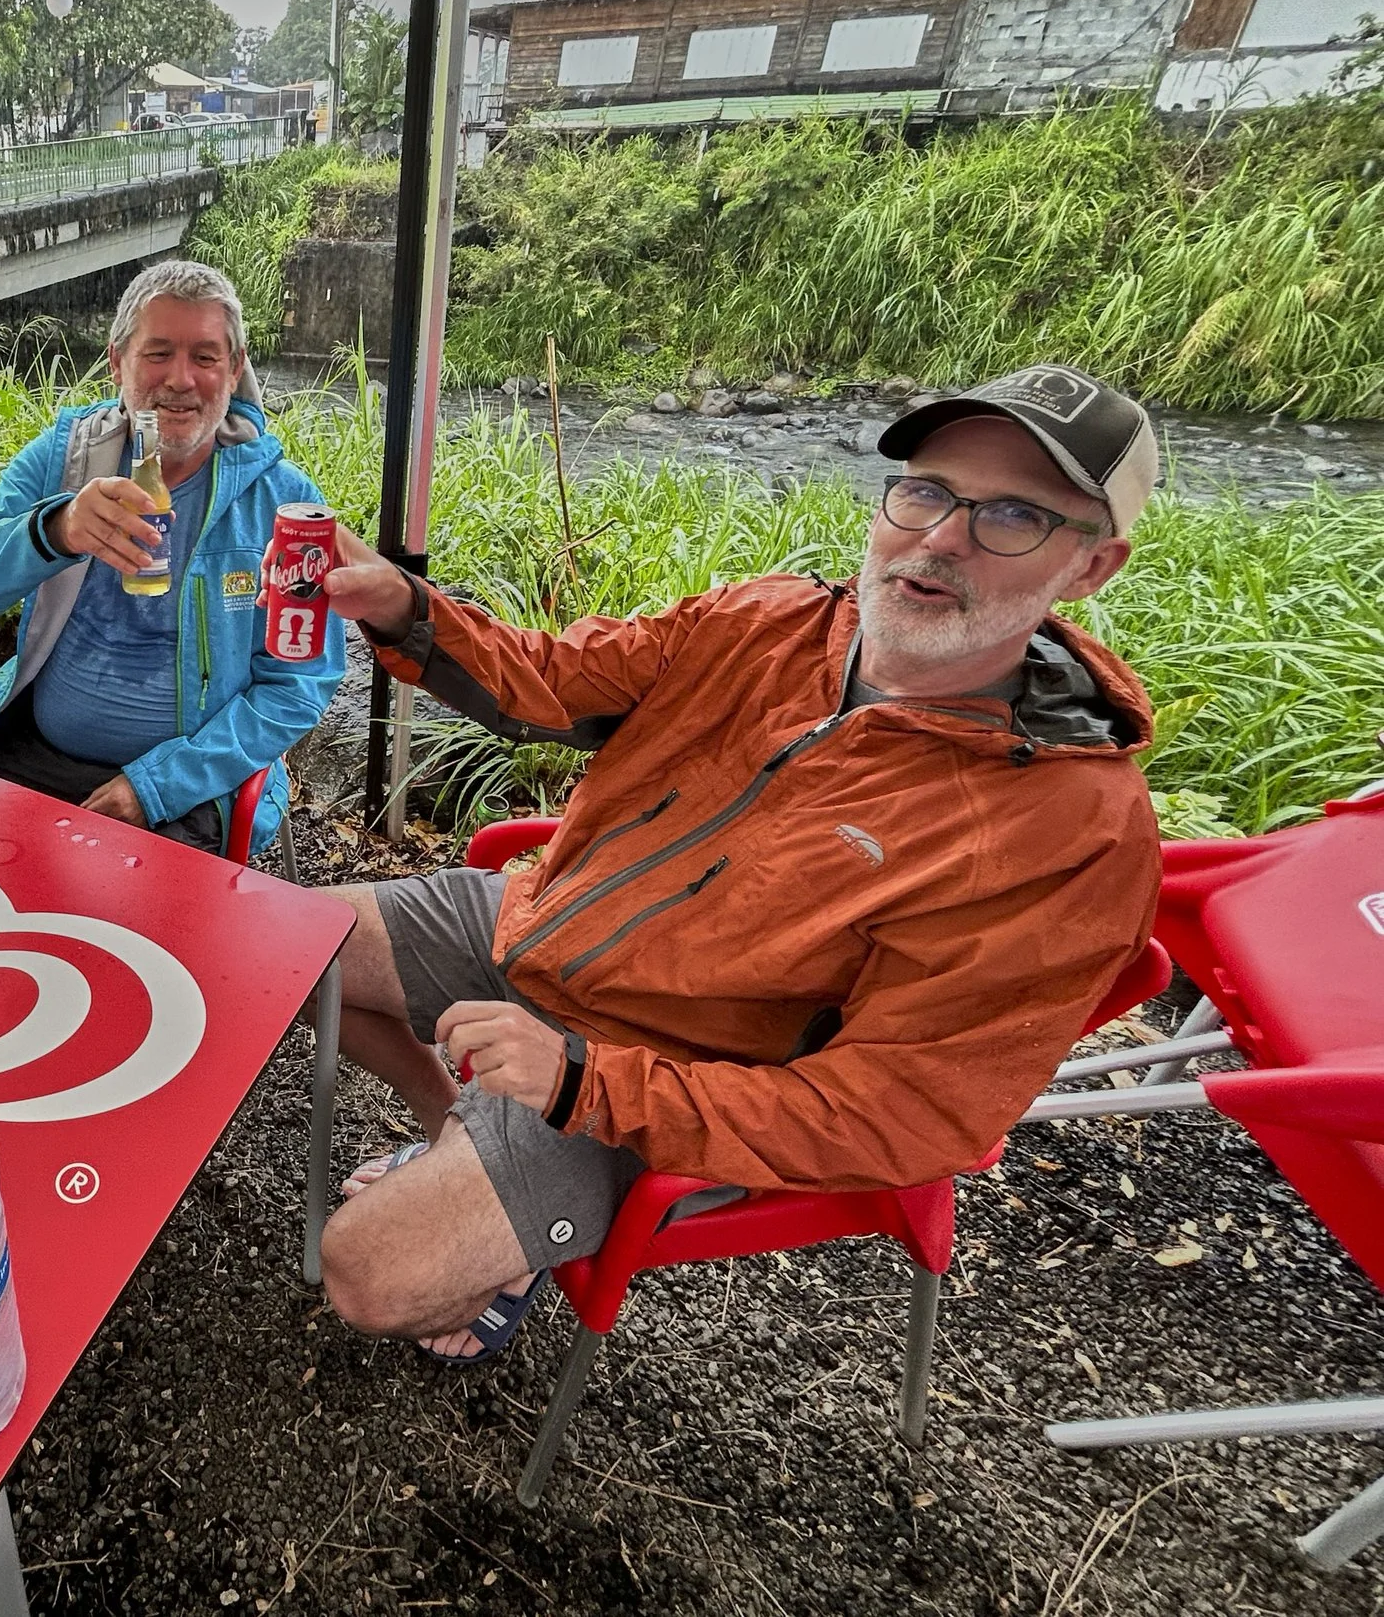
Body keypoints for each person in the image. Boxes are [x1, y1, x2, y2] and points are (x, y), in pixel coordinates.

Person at [309, 365, 1163, 1359]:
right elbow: (557, 679)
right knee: (288, 943)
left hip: (671, 1075)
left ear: (1093, 565)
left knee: (368, 1270)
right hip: (544, 919)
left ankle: (497, 1194)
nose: (940, 537)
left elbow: (896, 1110)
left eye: (1012, 515)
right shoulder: (768, 622)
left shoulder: (1070, 828)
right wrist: (404, 608)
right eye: (927, 491)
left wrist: (583, 1082)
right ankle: (457, 1131)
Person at [0, 259, 346, 856]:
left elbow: (299, 685)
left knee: (131, 910)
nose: (181, 379)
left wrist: (157, 786)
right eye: (158, 354)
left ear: (234, 370)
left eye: (205, 357)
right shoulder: (65, 461)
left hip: (194, 785)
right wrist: (56, 530)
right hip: (33, 751)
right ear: (117, 362)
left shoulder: (280, 501)